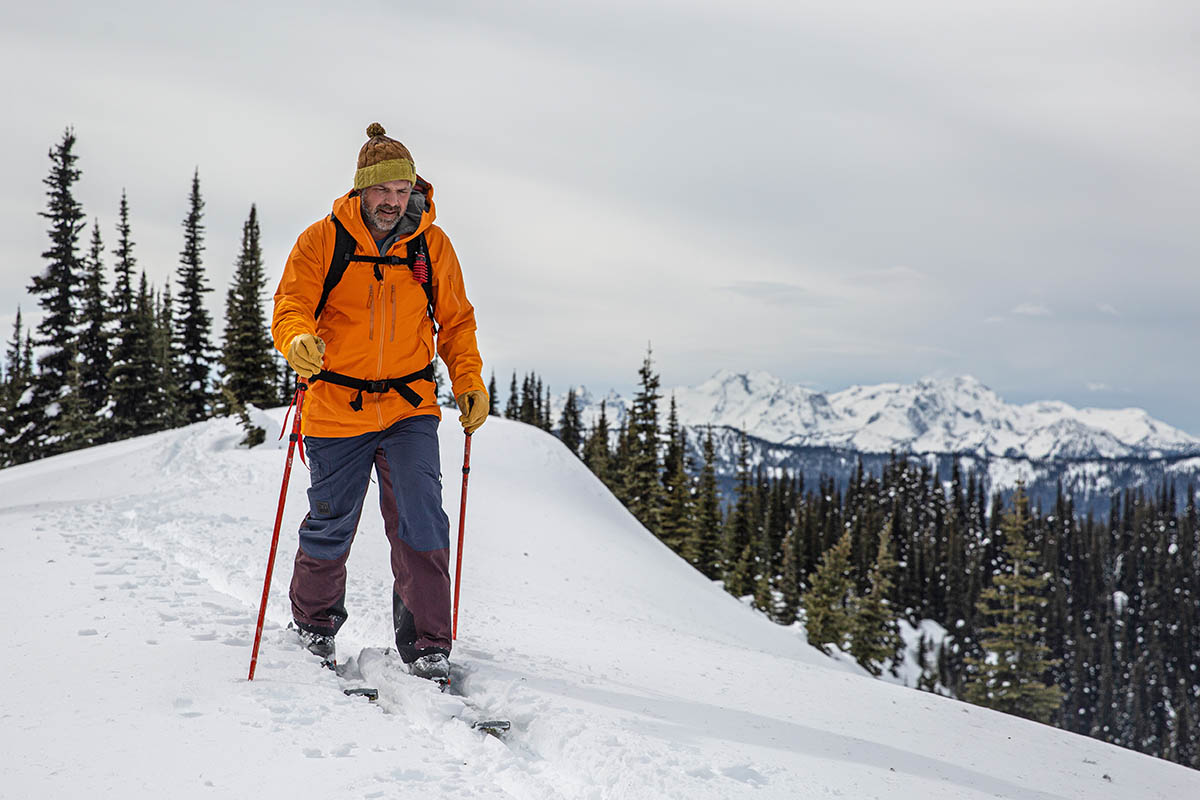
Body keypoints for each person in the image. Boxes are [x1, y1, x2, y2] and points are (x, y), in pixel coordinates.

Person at [272, 123, 489, 684]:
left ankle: (427, 646)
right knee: (330, 523)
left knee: (422, 520)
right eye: (383, 191)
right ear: (361, 191)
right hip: (335, 405)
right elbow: (291, 303)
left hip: (409, 406)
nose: (393, 202)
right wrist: (297, 340)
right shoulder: (322, 241)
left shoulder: (431, 246)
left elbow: (457, 321)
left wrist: (468, 379)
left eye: (402, 191)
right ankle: (315, 628)